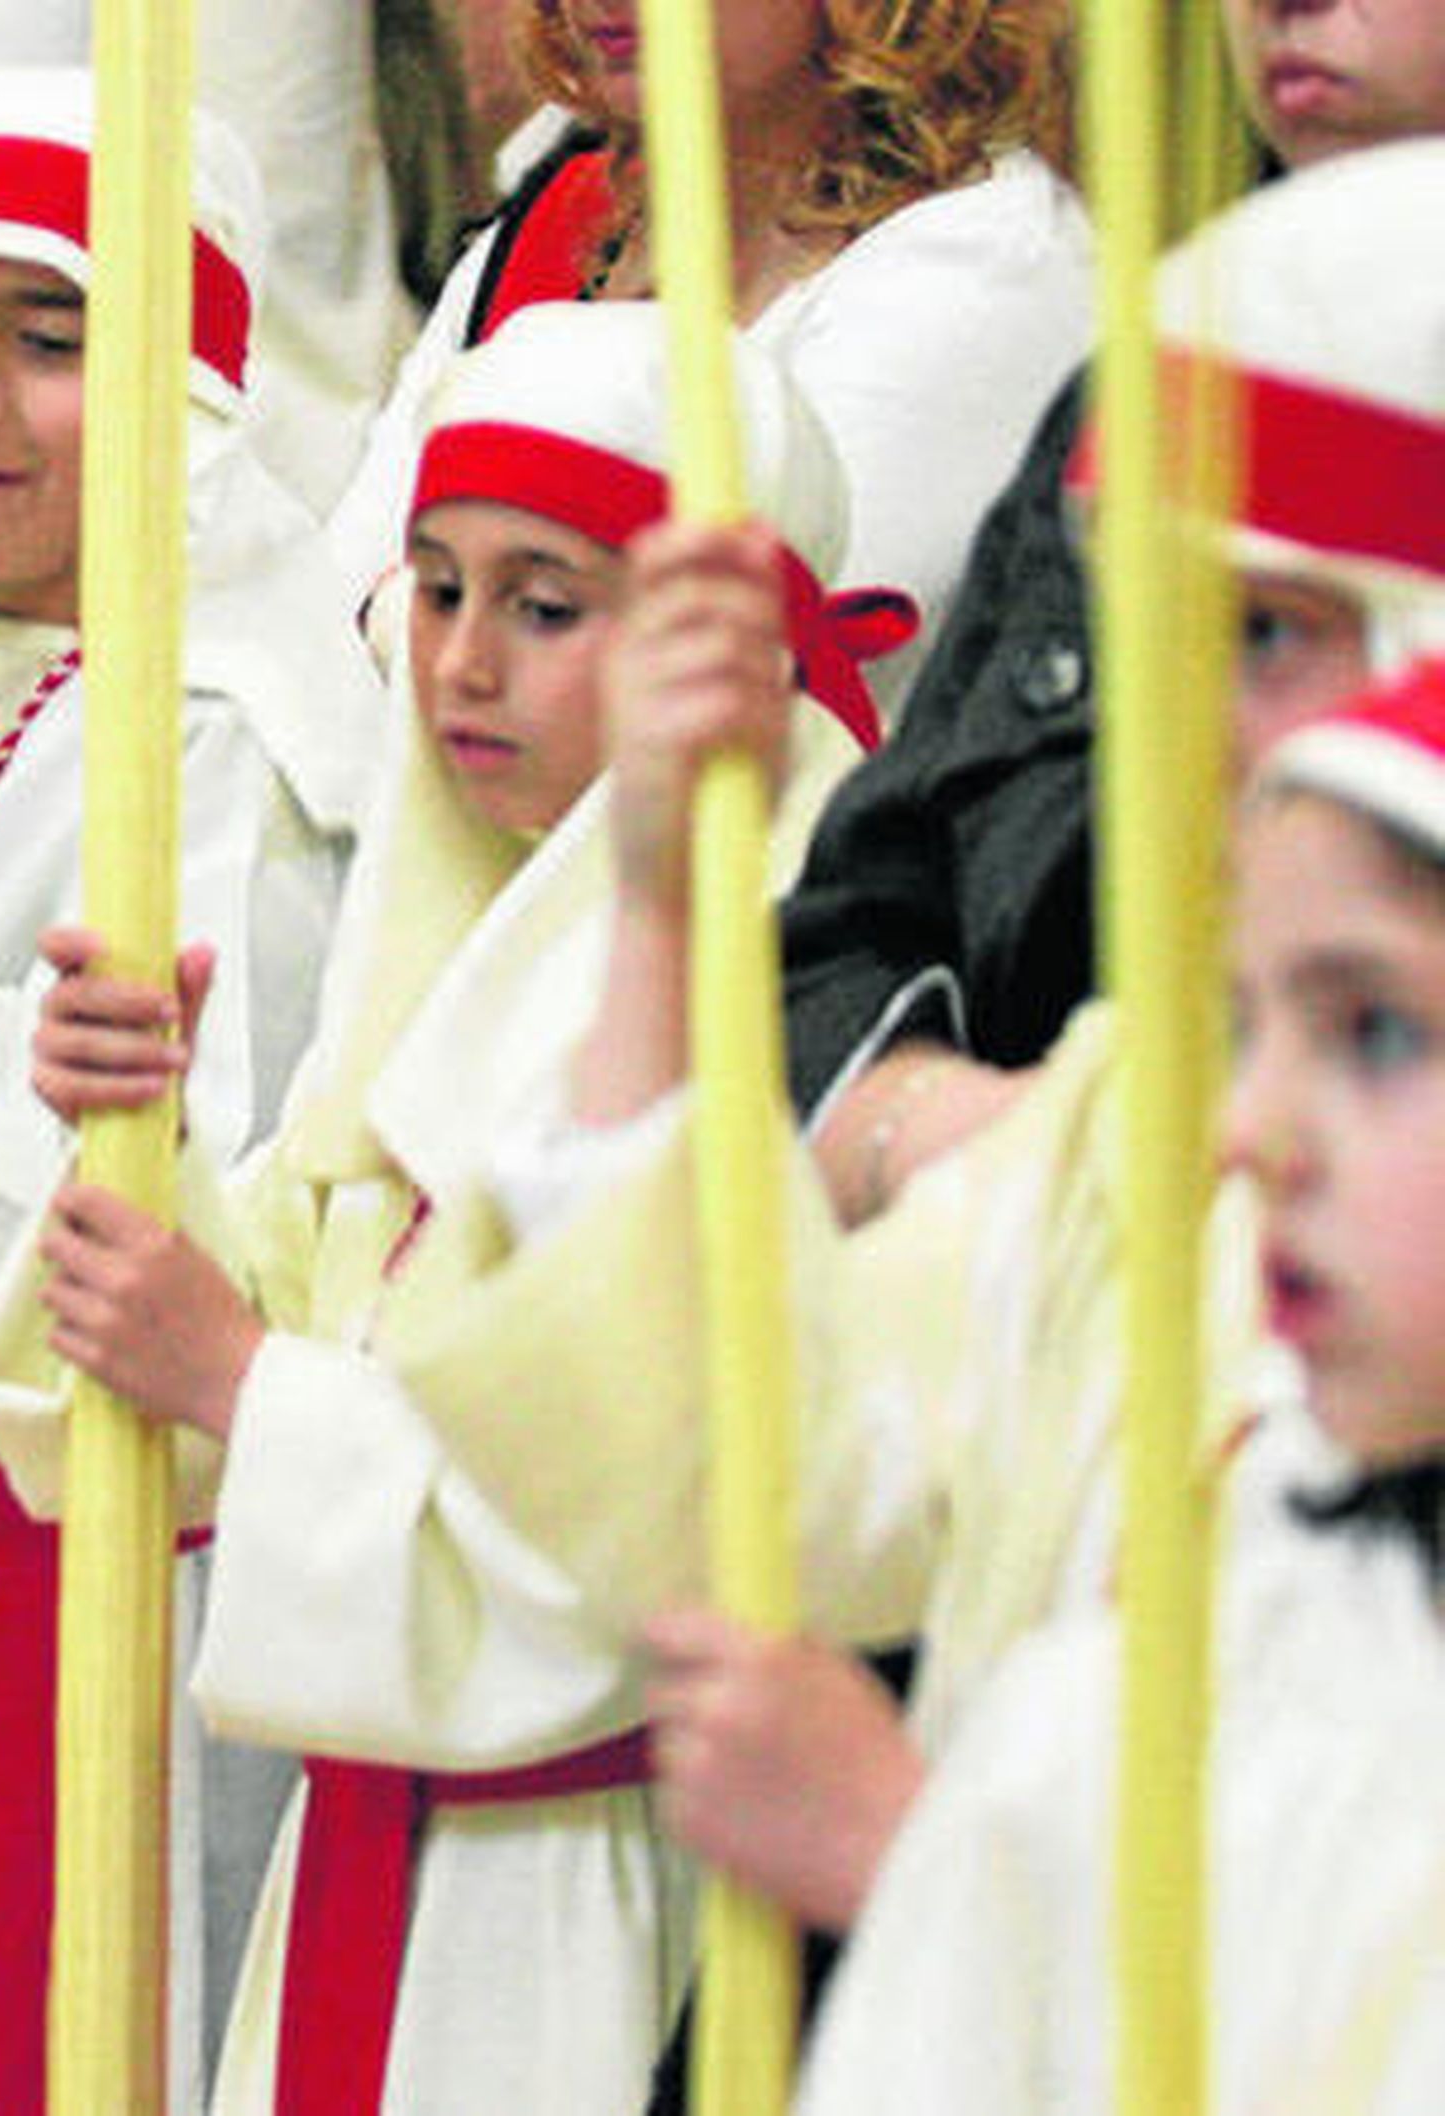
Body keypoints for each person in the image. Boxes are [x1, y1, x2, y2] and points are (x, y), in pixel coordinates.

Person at [339, 124, 1445, 1944]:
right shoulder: (1135, 1130)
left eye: (1262, 633)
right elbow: (735, 1485)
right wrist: (662, 912)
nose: (1170, 717)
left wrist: (922, 1872)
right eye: (1150, 625)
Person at [0, 300, 906, 2115]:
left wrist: (242, 1384)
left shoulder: (768, 990)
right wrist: (128, 1144)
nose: (462, 664)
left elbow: (624, 1533)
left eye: (547, 606)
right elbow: (248, 1353)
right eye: (439, 589)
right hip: (373, 1880)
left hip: (590, 1902)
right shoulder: (447, 943)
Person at [0, 68, 383, 2116]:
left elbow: (95, 1259)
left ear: (191, 381)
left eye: (50, 339)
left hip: (36, 1601)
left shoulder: (240, 754)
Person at [738, 655, 1445, 2116]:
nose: (1249, 1134)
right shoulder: (1247, 1576)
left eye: (1373, 1031)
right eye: (1245, 1026)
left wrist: (917, 1864)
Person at [783, 0, 1445, 1219]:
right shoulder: (1154, 387)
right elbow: (840, 939)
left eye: (1272, 631)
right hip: (1033, 1326)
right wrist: (997, 1145)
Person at [327, 0, 1093, 713]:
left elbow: (702, 696)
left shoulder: (987, 262)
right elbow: (332, 604)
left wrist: (406, 620)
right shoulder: (562, 221)